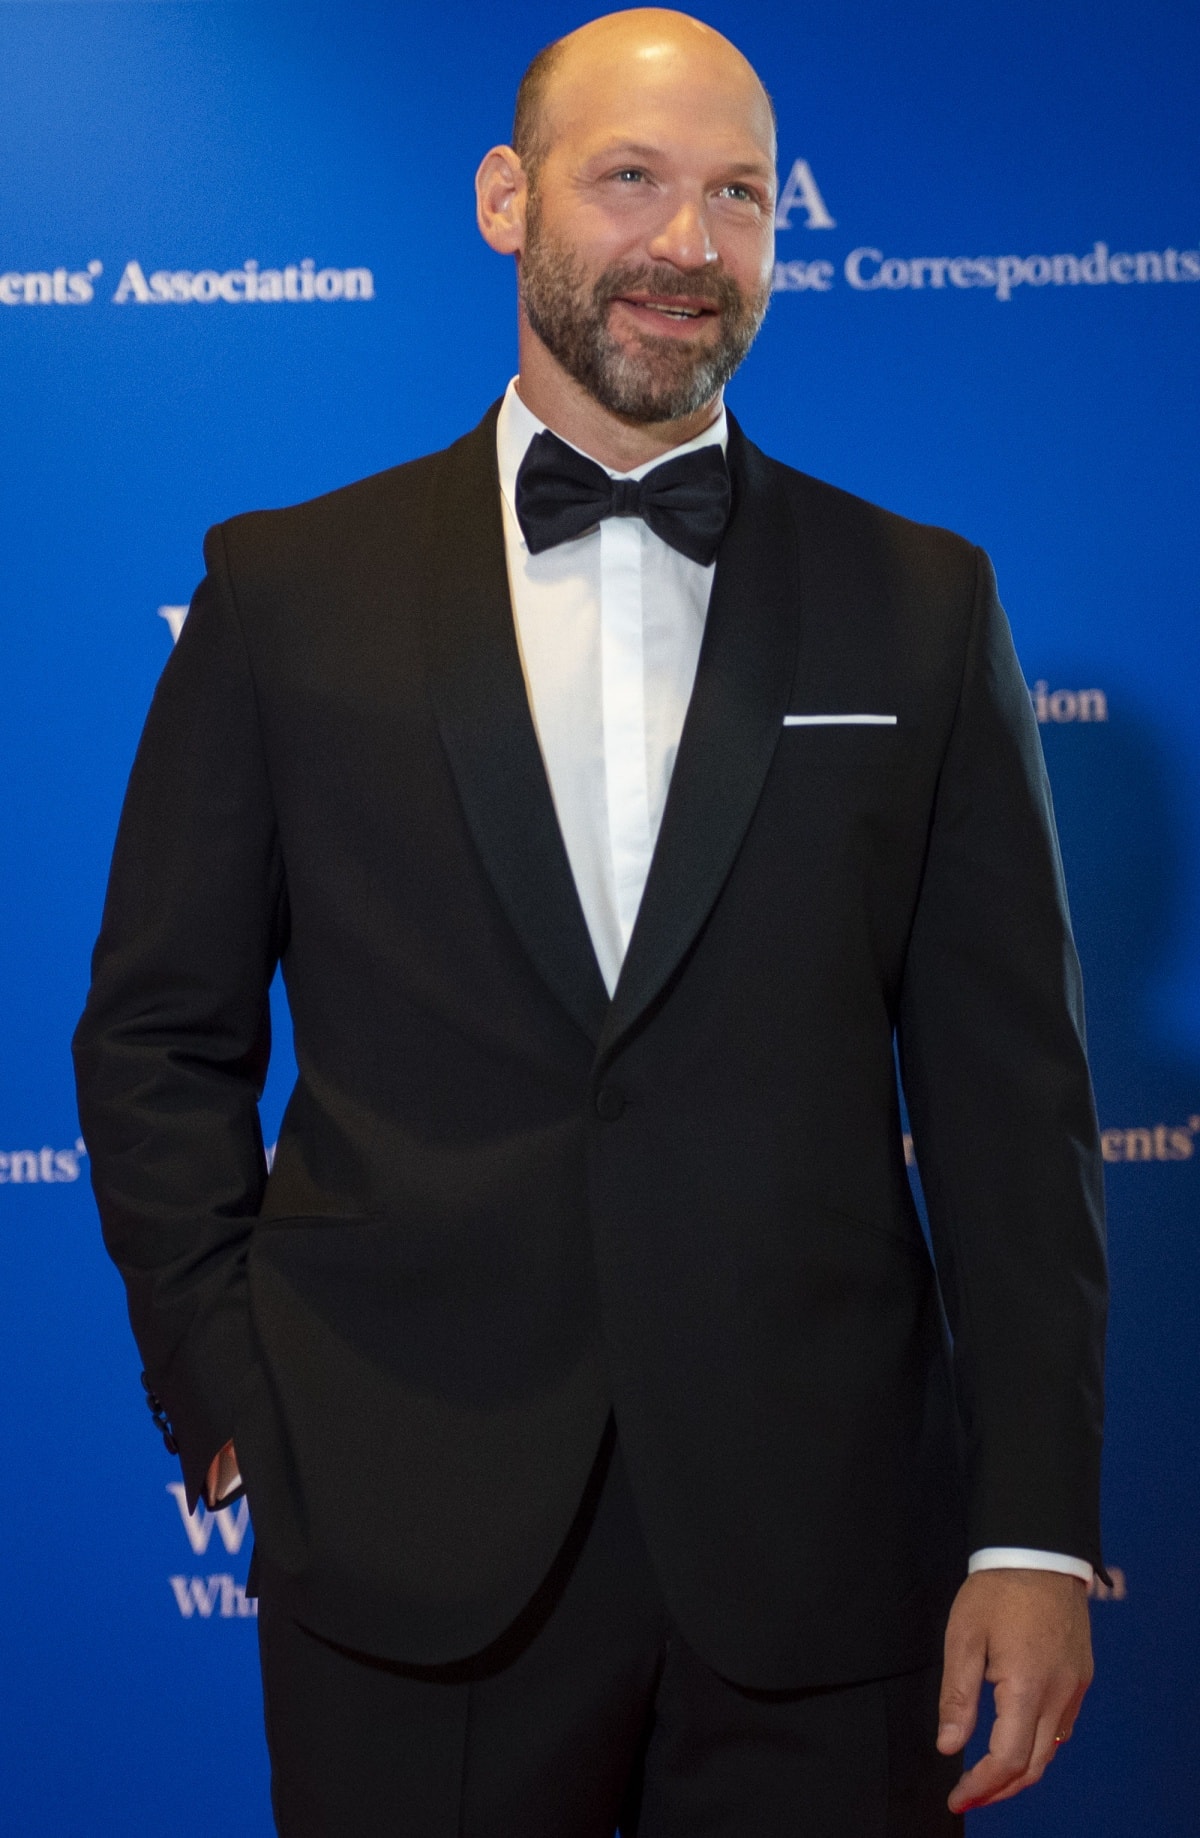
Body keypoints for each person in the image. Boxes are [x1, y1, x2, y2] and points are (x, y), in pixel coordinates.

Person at [73, 11, 1107, 1835]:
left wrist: (1029, 1527)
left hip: (825, 1552)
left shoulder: (926, 603)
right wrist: (233, 1392)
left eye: (739, 197)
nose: (688, 248)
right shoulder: (285, 591)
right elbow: (159, 1032)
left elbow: (1011, 1111)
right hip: (396, 1537)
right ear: (506, 199)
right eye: (632, 179)